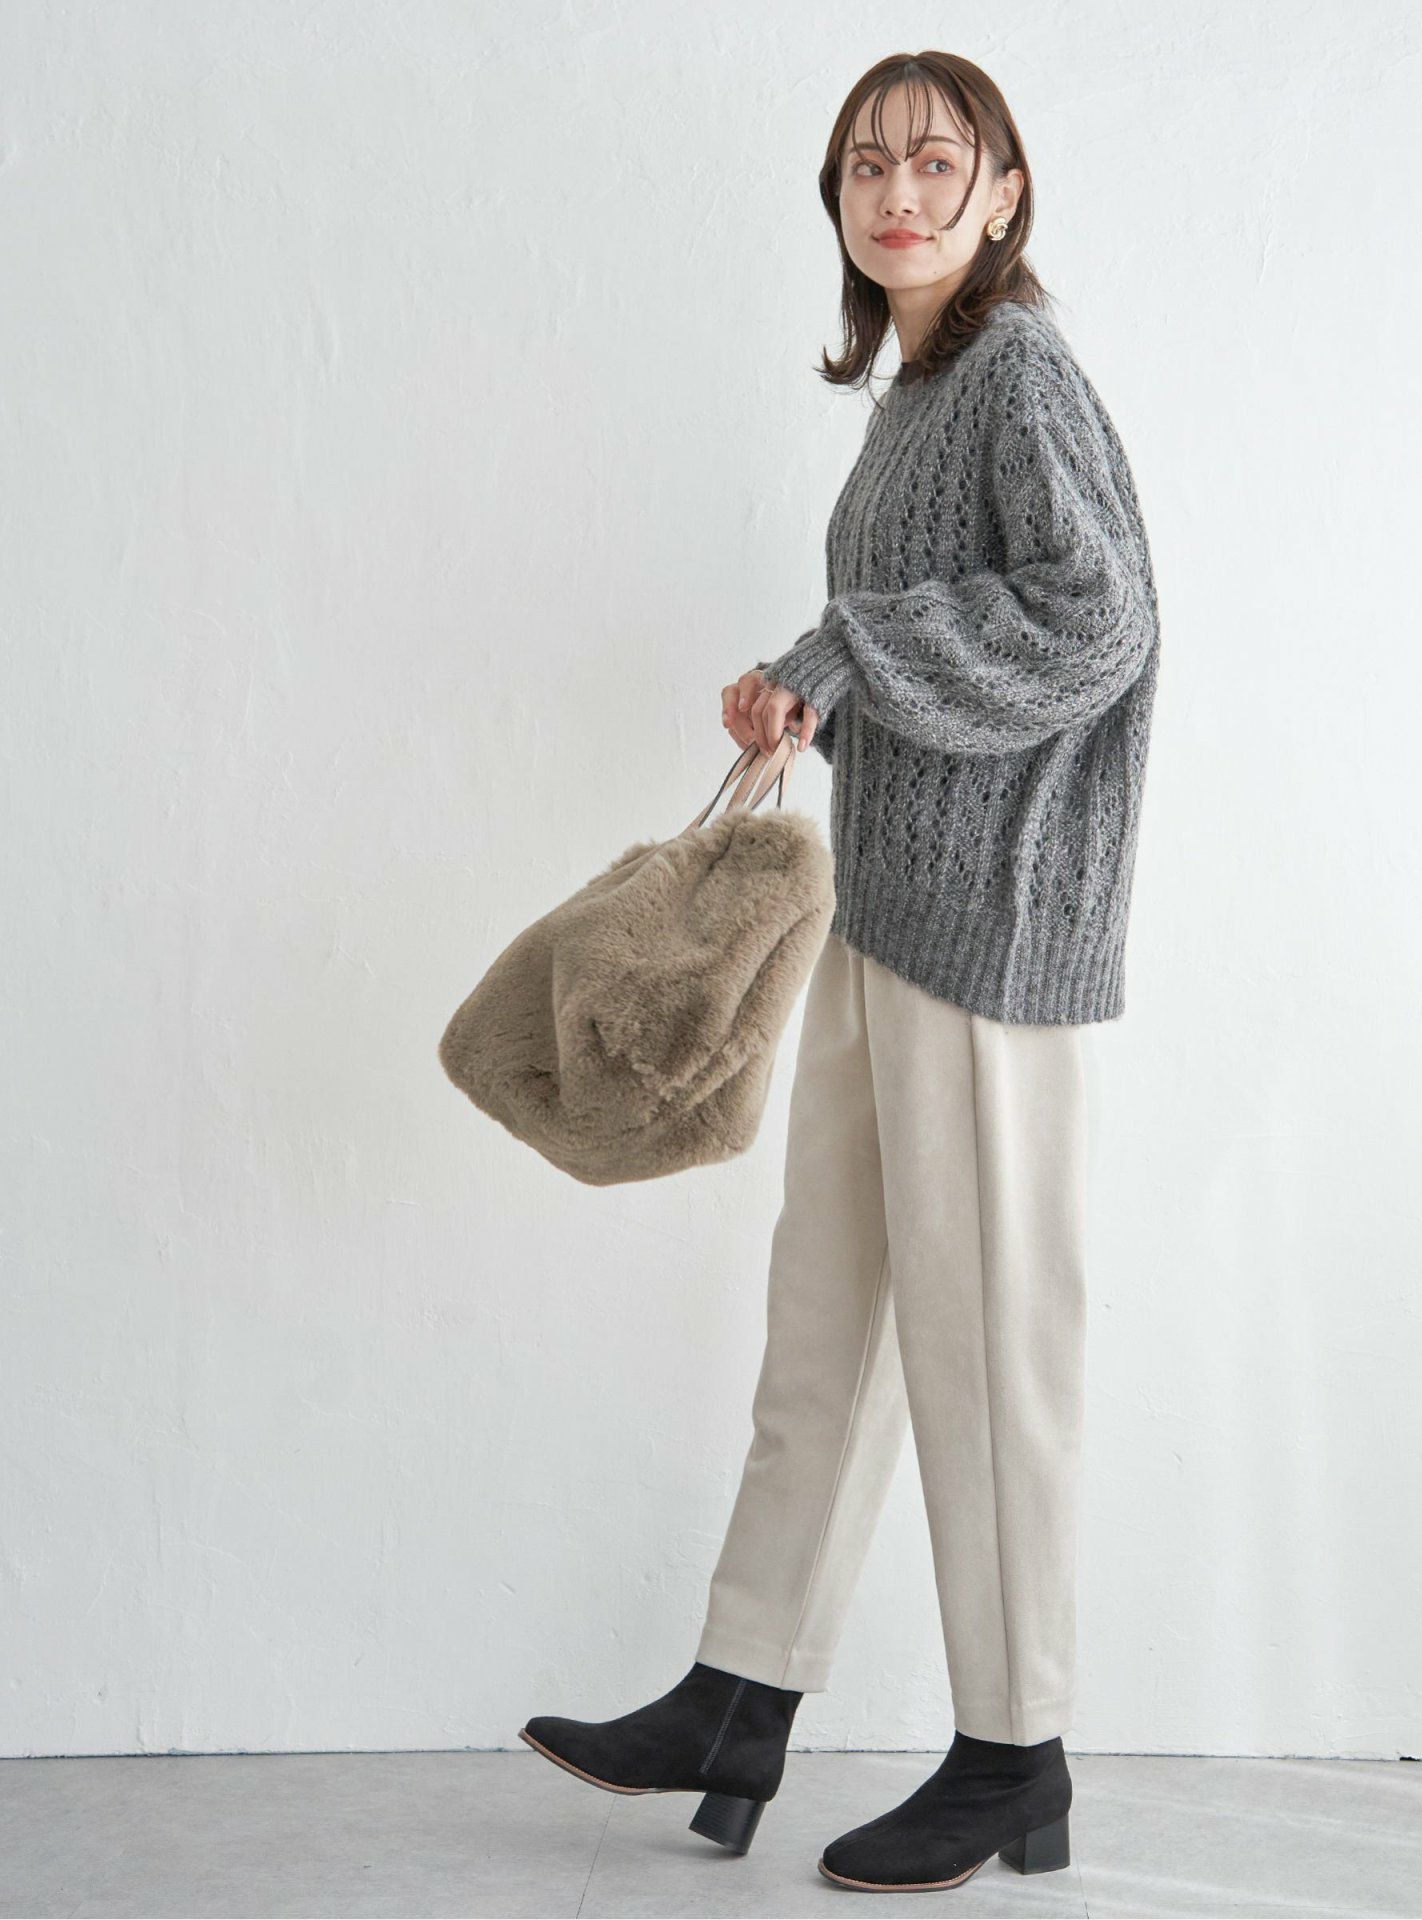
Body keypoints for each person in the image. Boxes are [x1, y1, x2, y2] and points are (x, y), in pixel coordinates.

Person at [519, 48, 1160, 1896]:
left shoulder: (1020, 371)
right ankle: (741, 1691)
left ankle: (1017, 1750)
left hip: (996, 947)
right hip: (890, 914)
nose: (898, 192)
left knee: (987, 1353)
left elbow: (1101, 615)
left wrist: (853, 653)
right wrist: (811, 682)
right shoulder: (916, 391)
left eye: (936, 162)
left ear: (1004, 193)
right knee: (830, 1325)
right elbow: (932, 633)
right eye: (866, 165)